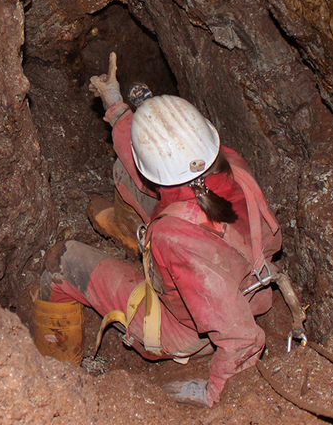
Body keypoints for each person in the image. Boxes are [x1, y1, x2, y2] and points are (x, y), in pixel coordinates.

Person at [31, 53, 282, 408]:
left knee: (60, 262)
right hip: (245, 274)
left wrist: (215, 395)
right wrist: (117, 108)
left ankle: (53, 377)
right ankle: (125, 229)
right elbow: (147, 169)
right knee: (122, 172)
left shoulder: (175, 240)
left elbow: (241, 337)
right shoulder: (226, 160)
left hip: (190, 328)